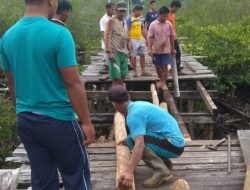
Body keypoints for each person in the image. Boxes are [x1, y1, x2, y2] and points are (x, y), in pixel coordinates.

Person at [0, 0, 95, 189]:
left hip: (26, 120)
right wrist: (86, 122)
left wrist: (23, 110)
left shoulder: (7, 37)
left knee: (42, 179)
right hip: (59, 121)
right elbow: (72, 82)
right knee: (76, 176)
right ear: (51, 1)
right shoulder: (59, 34)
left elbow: (12, 84)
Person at [108, 85, 185, 189]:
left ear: (114, 104)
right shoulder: (138, 105)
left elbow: (139, 145)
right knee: (132, 139)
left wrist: (129, 172)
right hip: (175, 143)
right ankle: (165, 164)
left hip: (174, 145)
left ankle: (162, 171)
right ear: (129, 97)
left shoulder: (133, 115)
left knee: (135, 141)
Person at [148, 6, 176, 89]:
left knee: (165, 66)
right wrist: (149, 48)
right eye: (164, 16)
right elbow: (150, 37)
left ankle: (163, 81)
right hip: (156, 49)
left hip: (166, 49)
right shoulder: (153, 24)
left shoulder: (168, 24)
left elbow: (172, 37)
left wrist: (173, 48)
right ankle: (161, 79)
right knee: (157, 66)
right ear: (159, 15)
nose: (165, 18)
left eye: (166, 16)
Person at [105, 2, 130, 86]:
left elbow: (126, 36)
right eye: (120, 11)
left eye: (124, 11)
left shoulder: (124, 21)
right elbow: (107, 36)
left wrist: (129, 49)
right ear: (116, 11)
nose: (122, 13)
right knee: (116, 77)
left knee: (123, 76)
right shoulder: (111, 21)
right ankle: (114, 96)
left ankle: (121, 94)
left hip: (124, 52)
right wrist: (109, 52)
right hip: (115, 52)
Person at [126, 4, 150, 78]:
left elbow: (142, 28)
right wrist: (129, 42)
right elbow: (127, 30)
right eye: (139, 12)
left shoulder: (140, 18)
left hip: (140, 38)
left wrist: (146, 38)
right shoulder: (129, 18)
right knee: (133, 56)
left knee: (142, 54)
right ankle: (135, 71)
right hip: (133, 39)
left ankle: (143, 71)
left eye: (141, 12)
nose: (140, 13)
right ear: (135, 11)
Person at [99, 2, 116, 75]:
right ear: (107, 9)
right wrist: (107, 45)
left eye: (114, 9)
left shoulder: (114, 17)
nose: (113, 11)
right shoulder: (103, 19)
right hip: (107, 42)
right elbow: (103, 33)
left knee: (114, 59)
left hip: (114, 42)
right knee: (108, 61)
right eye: (112, 9)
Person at [168, 0, 182, 72]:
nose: (177, 10)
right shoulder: (166, 14)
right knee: (170, 53)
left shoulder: (173, 14)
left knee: (178, 52)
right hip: (168, 38)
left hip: (174, 37)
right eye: (177, 8)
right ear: (174, 6)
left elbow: (173, 26)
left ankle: (177, 68)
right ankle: (171, 68)